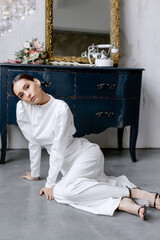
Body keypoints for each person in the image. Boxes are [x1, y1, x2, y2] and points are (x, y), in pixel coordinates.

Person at [12, 73, 160, 220]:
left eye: (27, 87)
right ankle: (121, 202)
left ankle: (133, 194)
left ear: (36, 82)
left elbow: (58, 148)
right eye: (21, 95)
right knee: (63, 193)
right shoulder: (23, 108)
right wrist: (35, 173)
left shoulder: (60, 109)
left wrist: (50, 183)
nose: (27, 95)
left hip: (85, 154)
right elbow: (33, 141)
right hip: (67, 167)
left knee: (63, 192)